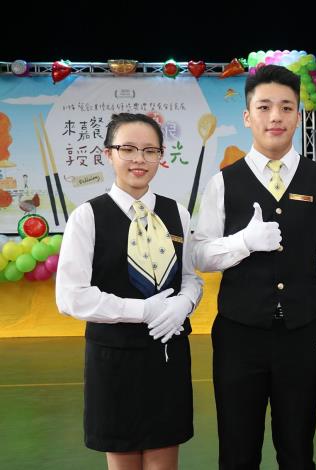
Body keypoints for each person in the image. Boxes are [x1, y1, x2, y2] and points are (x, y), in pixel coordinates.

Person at [192, 64, 316, 470]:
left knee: (297, 450)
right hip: (239, 337)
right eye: (264, 107)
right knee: (237, 451)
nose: (275, 116)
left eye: (286, 107)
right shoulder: (223, 182)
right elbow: (200, 255)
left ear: (298, 115)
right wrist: (242, 242)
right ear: (247, 116)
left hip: (302, 335)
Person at [56, 113, 203, 469]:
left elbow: (190, 276)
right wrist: (143, 311)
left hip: (168, 356)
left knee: (164, 460)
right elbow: (71, 296)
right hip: (114, 360)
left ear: (161, 156)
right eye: (128, 149)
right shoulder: (87, 217)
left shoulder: (176, 212)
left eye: (150, 150)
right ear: (108, 153)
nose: (139, 159)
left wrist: (185, 302)